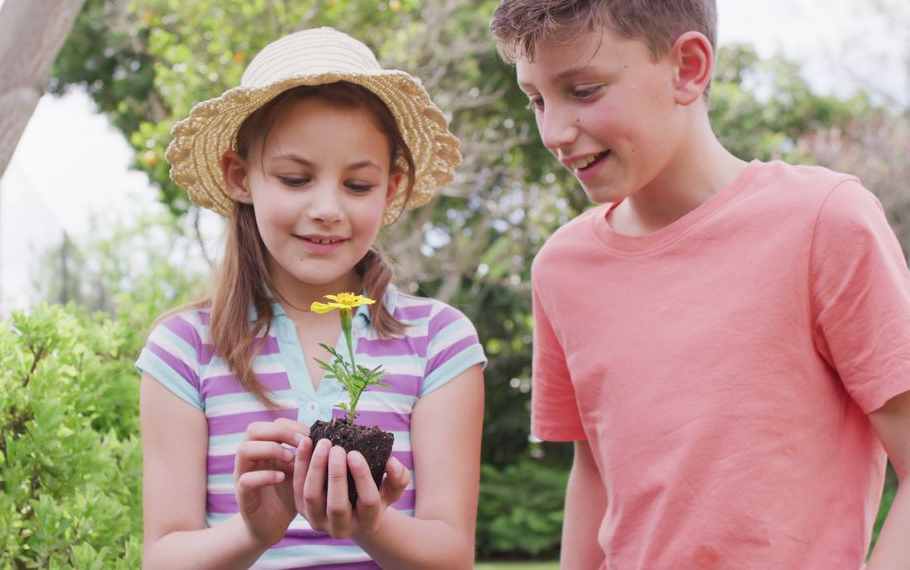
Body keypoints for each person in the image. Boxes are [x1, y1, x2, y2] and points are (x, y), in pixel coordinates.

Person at [489, 1, 910, 568]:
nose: (554, 132)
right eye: (536, 99)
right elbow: (593, 471)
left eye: (584, 90)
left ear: (688, 68)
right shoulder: (560, 267)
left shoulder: (824, 222)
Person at [135, 27, 486, 569]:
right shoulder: (184, 348)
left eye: (358, 185)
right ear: (239, 177)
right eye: (296, 178)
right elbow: (163, 557)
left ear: (391, 190)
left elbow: (451, 556)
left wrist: (372, 524)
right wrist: (254, 531)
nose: (327, 207)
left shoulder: (439, 340)